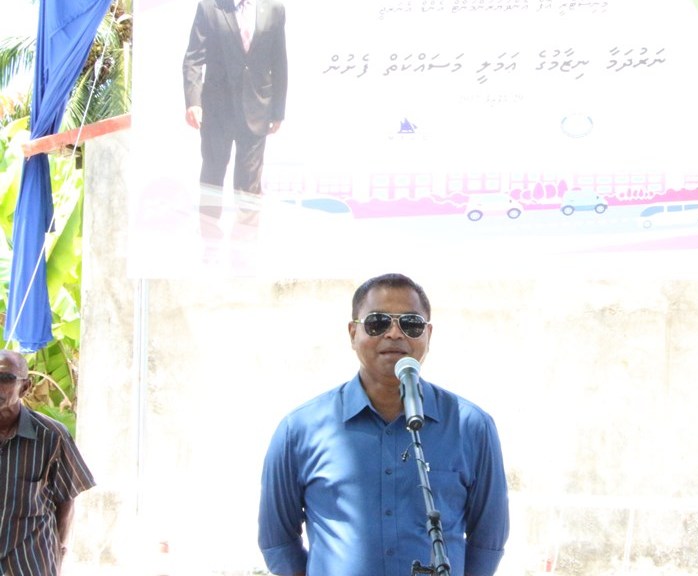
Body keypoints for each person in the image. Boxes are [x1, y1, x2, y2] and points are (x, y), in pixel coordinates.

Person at [258, 273, 510, 576]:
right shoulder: (299, 430)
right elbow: (277, 541)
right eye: (377, 322)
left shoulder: (471, 427)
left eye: (411, 324)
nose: (394, 334)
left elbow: (488, 541)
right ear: (353, 333)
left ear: (428, 334)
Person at [182, 0, 288, 256]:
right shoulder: (211, 7)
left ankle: (244, 247)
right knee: (213, 175)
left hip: (257, 107)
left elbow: (279, 61)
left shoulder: (274, 9)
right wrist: (193, 102)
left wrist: (278, 111)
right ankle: (210, 243)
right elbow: (193, 58)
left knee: (249, 182)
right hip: (217, 110)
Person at [0, 350, 95, 576]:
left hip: (28, 562)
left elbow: (66, 500)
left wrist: (59, 552)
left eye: (6, 378)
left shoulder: (52, 436)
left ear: (25, 387)